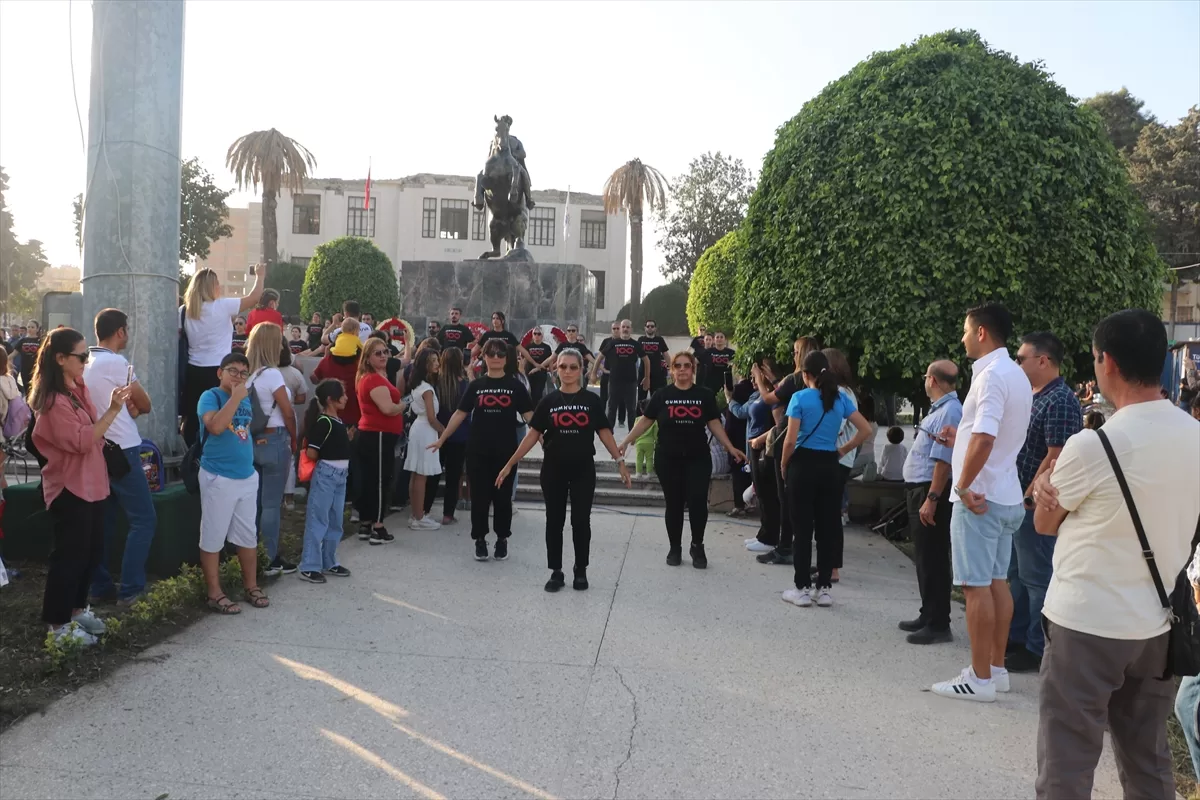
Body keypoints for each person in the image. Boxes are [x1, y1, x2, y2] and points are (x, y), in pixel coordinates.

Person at [1032, 309, 1199, 797]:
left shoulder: (1094, 445)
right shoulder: (1194, 435)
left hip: (1086, 625)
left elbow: (1044, 523)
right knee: (1148, 763)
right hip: (1157, 624)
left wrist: (1044, 481)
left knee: (1067, 762)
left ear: (1106, 362)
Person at [930, 303, 1032, 702]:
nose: (963, 338)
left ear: (983, 333)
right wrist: (962, 439)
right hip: (1005, 492)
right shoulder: (1016, 375)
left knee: (976, 588)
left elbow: (987, 438)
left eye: (967, 330)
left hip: (980, 498)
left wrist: (965, 485)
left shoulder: (990, 377)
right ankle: (996, 669)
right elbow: (989, 434)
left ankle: (979, 678)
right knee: (997, 583)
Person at [497, 348, 629, 591]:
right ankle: (556, 571)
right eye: (563, 367)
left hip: (583, 469)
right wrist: (510, 464)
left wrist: (619, 462)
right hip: (553, 469)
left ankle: (581, 568)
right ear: (555, 369)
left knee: (581, 521)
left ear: (581, 370)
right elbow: (531, 436)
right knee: (554, 521)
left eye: (573, 367)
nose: (567, 371)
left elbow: (604, 433)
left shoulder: (591, 401)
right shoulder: (548, 402)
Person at [30, 328, 132, 644]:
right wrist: (114, 410)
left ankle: (76, 611)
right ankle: (58, 627)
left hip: (92, 482)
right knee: (69, 557)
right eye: (81, 356)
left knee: (90, 552)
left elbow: (90, 430)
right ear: (60, 359)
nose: (87, 362)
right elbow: (83, 440)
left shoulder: (77, 386)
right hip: (69, 488)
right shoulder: (52, 401)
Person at [619, 351, 746, 568]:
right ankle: (675, 547)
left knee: (698, 503)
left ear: (693, 370)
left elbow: (714, 424)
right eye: (678, 365)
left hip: (697, 458)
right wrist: (626, 441)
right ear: (672, 370)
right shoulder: (661, 395)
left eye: (687, 366)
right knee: (674, 504)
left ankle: (697, 545)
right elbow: (645, 422)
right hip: (668, 458)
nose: (682, 369)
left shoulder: (704, 395)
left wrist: (730, 447)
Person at [1006, 331, 1083, 674]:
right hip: (1019, 499)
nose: (1017, 363)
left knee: (1036, 577)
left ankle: (1036, 648)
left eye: (1021, 358)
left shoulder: (1061, 400)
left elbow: (1057, 456)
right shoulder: (1037, 396)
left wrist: (1028, 496)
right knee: (1016, 575)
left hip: (1034, 504)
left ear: (1044, 360)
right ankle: (1015, 638)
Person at [778, 350, 873, 607]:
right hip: (830, 464)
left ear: (805, 374)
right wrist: (843, 448)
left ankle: (802, 588)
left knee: (802, 527)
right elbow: (865, 428)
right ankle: (824, 588)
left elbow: (789, 440)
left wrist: (784, 464)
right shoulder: (839, 398)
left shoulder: (799, 398)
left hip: (803, 464)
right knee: (827, 527)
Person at [430, 339, 533, 562]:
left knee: (503, 498)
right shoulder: (475, 385)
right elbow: (460, 414)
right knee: (480, 497)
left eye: (500, 354)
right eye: (491, 353)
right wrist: (442, 439)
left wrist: (545, 439)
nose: (495, 358)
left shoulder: (515, 386)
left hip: (506, 451)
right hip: (478, 449)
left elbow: (530, 416)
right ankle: (480, 540)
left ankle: (502, 539)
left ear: (507, 358)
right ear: (483, 357)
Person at [83, 309, 156, 606]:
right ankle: (131, 589)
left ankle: (100, 587)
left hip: (97, 448)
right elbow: (145, 403)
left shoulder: (86, 361)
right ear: (121, 332)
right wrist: (132, 410)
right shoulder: (116, 362)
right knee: (144, 520)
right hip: (123, 449)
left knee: (105, 522)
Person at [195, 352, 267, 614]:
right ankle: (214, 593)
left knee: (247, 535)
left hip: (246, 475)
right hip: (218, 476)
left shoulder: (245, 398)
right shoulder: (210, 396)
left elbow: (246, 428)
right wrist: (236, 397)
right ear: (220, 373)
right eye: (232, 371)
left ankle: (251, 586)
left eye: (243, 372)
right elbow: (214, 427)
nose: (238, 376)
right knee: (213, 536)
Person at [898, 360, 962, 645]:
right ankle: (928, 612)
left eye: (926, 376)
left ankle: (939, 622)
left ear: (933, 380)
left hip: (929, 490)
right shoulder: (940, 409)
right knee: (923, 556)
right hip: (920, 488)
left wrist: (932, 499)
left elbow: (943, 461)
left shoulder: (950, 411)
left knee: (933, 556)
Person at [749, 337, 823, 563]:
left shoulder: (795, 381)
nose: (793, 356)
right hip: (808, 444)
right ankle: (790, 544)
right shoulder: (822, 388)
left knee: (785, 496)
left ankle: (784, 547)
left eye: (795, 352)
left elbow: (769, 398)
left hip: (785, 439)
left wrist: (759, 380)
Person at [180, 266, 265, 446]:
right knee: (222, 416)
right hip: (219, 371)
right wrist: (260, 275)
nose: (220, 287)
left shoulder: (185, 311)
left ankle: (192, 457)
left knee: (194, 419)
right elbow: (254, 297)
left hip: (193, 371)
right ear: (211, 287)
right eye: (217, 284)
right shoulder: (222, 306)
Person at [244, 324, 297, 576]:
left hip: (254, 441)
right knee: (272, 505)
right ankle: (269, 558)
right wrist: (294, 438)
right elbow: (287, 411)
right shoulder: (273, 375)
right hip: (275, 439)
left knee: (255, 504)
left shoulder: (249, 375)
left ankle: (251, 555)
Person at [297, 379, 353, 584]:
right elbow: (313, 452)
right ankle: (309, 565)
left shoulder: (336, 421)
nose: (346, 398)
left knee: (335, 519)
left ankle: (329, 560)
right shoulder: (324, 422)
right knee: (318, 518)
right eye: (343, 394)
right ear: (331, 399)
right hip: (327, 474)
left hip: (340, 475)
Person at [355, 337, 405, 544]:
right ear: (367, 358)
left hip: (376, 434)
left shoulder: (374, 377)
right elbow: (388, 408)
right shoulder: (372, 380)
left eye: (385, 351)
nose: (384, 355)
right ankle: (377, 526)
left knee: (371, 480)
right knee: (380, 481)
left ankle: (367, 523)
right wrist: (403, 405)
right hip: (378, 434)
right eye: (378, 353)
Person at [738, 358, 782, 552]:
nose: (753, 380)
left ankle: (769, 537)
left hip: (766, 448)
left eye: (755, 376)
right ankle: (764, 534)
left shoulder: (772, 397)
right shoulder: (757, 396)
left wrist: (762, 439)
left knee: (767, 493)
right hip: (755, 448)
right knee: (762, 492)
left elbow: (779, 423)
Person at [424, 346, 470, 524]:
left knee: (433, 474)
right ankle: (448, 514)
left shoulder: (436, 382)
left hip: (437, 434)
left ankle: (425, 508)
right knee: (453, 476)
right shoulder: (464, 384)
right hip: (460, 435)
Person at [404, 348, 444, 530]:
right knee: (421, 475)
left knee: (416, 473)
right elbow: (431, 417)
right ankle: (419, 517)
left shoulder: (418, 385)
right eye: (434, 360)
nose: (437, 363)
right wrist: (444, 432)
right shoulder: (427, 389)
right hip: (425, 431)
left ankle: (416, 514)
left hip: (418, 430)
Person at [592, 319, 648, 431]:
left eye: (628, 327)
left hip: (631, 382)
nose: (625, 329)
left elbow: (646, 360)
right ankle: (609, 432)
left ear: (631, 329)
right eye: (623, 327)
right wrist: (594, 373)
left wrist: (647, 378)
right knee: (612, 408)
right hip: (614, 381)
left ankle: (632, 434)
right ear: (621, 328)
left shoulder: (635, 344)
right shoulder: (612, 343)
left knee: (631, 410)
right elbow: (599, 357)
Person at [311, 325, 363, 430]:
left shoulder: (327, 361)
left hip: (331, 417)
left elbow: (313, 378)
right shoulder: (360, 363)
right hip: (356, 416)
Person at [278, 345, 309, 511]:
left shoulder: (263, 372)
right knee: (290, 455)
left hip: (268, 418)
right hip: (288, 415)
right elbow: (302, 397)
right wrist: (287, 402)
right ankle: (288, 497)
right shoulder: (294, 373)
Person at [723, 373, 755, 517]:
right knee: (750, 471)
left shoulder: (735, 391)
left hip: (735, 439)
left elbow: (731, 418)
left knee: (737, 472)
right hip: (752, 436)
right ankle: (751, 503)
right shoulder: (756, 391)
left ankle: (739, 505)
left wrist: (726, 441)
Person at [637, 319, 670, 404]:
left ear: (655, 328)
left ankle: (655, 417)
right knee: (641, 399)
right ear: (645, 328)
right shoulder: (640, 340)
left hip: (657, 374)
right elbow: (634, 355)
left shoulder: (660, 340)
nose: (650, 328)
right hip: (643, 374)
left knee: (656, 398)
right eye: (648, 326)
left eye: (652, 326)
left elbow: (666, 355)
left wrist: (672, 368)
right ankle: (639, 417)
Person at [522, 327, 554, 405]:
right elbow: (524, 361)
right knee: (530, 394)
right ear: (532, 336)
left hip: (541, 373)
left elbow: (550, 361)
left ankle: (535, 411)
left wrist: (552, 374)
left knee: (538, 394)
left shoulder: (547, 347)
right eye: (535, 334)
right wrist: (522, 373)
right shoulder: (528, 346)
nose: (537, 335)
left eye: (539, 334)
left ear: (542, 336)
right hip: (529, 373)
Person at [596, 321, 621, 421]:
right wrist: (602, 369)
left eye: (617, 328)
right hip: (607, 373)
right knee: (604, 396)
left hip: (620, 375)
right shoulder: (606, 341)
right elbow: (599, 357)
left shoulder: (625, 342)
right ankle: (601, 417)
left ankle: (621, 419)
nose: (615, 330)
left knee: (620, 399)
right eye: (613, 329)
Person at [13, 320, 43, 395]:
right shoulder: (22, 340)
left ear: (37, 329)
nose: (30, 329)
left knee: (36, 390)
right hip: (24, 369)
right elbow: (13, 354)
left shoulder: (40, 341)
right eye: (28, 327)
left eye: (32, 327)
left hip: (37, 369)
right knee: (27, 391)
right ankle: (28, 405)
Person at [633, 398, 657, 480]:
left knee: (639, 458)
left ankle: (638, 473)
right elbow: (655, 434)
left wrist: (632, 441)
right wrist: (656, 442)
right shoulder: (654, 421)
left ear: (641, 409)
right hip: (650, 443)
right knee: (649, 458)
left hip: (639, 443)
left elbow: (634, 431)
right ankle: (649, 473)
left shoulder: (637, 419)